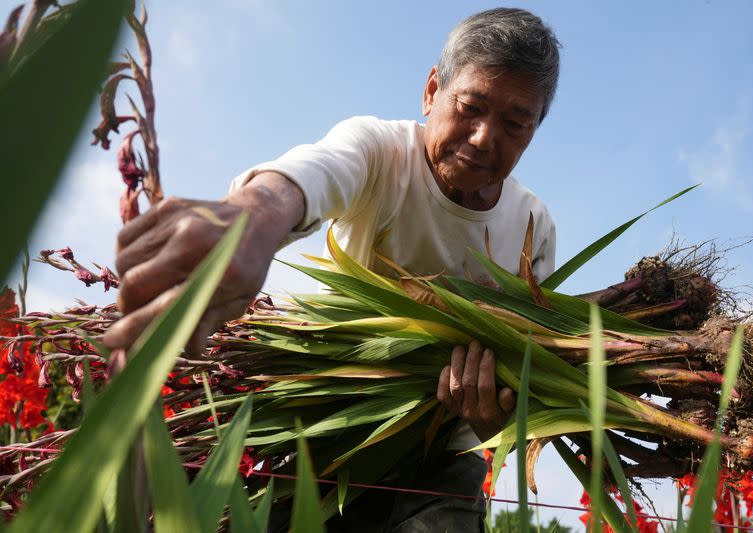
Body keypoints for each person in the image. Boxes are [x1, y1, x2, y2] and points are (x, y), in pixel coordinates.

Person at [105, 7, 560, 531]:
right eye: (471, 106)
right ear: (432, 91)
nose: (483, 138)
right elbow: (314, 173)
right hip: (328, 424)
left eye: (514, 124)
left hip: (444, 462)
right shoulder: (382, 151)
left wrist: (495, 416)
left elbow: (525, 367)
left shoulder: (534, 226)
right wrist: (255, 217)